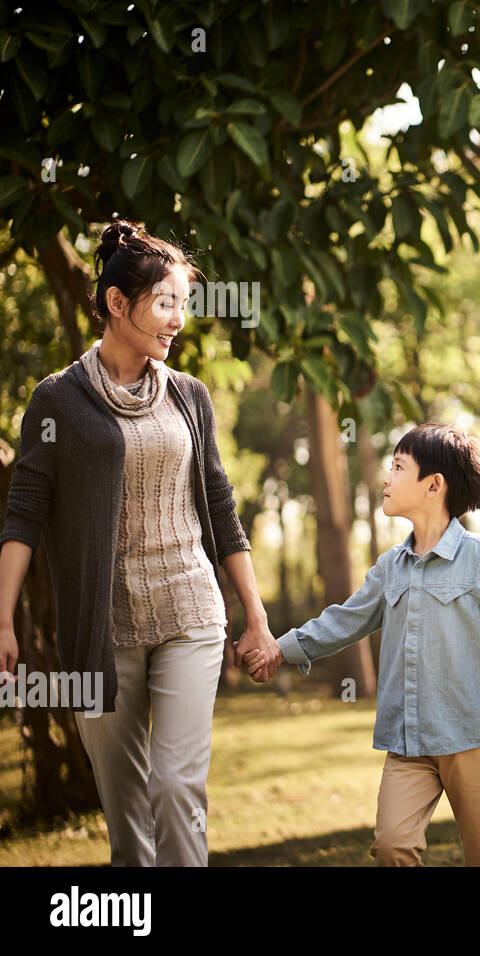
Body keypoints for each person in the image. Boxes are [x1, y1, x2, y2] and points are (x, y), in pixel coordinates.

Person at [0, 219, 278, 866]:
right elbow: (24, 514)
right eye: (165, 303)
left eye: (184, 303)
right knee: (126, 818)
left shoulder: (189, 396)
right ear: (117, 304)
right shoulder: (58, 402)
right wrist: (4, 619)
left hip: (190, 612)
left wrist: (255, 617)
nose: (178, 319)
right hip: (102, 628)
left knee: (176, 785)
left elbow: (219, 506)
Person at [245, 421, 480, 866]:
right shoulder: (390, 567)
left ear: (433, 485)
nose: (386, 478)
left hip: (475, 737)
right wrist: (282, 648)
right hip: (408, 740)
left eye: (398, 467)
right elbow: (347, 619)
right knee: (393, 845)